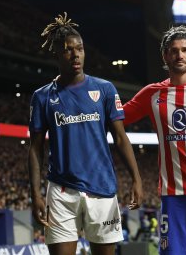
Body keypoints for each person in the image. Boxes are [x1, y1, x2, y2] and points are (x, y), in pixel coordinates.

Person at [28, 13, 143, 255]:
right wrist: (35, 195)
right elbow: (35, 148)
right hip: (61, 191)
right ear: (57, 54)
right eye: (68, 50)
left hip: (101, 187)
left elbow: (120, 138)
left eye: (79, 49)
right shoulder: (42, 97)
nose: (75, 54)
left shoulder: (105, 89)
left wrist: (137, 179)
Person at [123, 25, 186, 255]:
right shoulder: (152, 93)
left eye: (185, 50)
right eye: (173, 50)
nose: (179, 55)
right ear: (165, 56)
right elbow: (119, 116)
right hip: (173, 196)